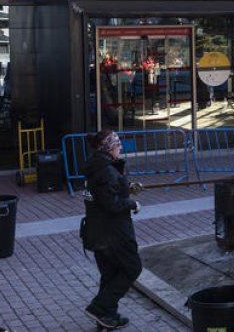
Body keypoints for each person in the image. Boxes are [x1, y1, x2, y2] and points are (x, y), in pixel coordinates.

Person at [81, 130, 142, 329]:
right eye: (117, 145)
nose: (120, 147)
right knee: (132, 268)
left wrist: (127, 187)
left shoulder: (98, 167)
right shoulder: (105, 170)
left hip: (99, 231)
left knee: (111, 273)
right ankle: (99, 308)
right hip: (113, 233)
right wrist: (132, 204)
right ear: (108, 148)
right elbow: (112, 204)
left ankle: (107, 317)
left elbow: (106, 192)